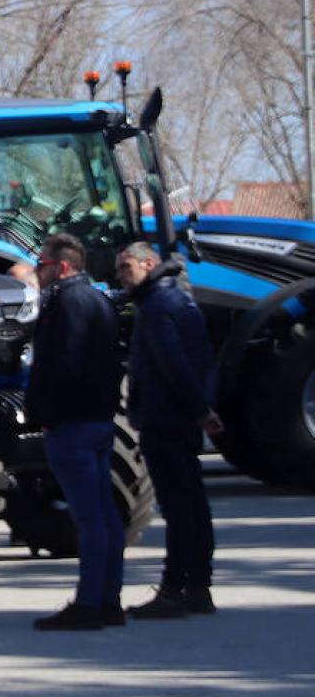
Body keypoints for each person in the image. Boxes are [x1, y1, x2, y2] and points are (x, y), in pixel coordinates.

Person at [26, 233, 127, 630]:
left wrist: (48, 413)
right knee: (104, 514)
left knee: (89, 518)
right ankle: (108, 598)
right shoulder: (100, 300)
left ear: (62, 267)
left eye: (43, 264)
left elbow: (62, 363)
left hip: (72, 424)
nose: (39, 271)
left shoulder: (64, 303)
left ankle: (90, 603)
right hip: (99, 419)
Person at [116, 242, 220, 617]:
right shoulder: (178, 300)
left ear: (149, 264)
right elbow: (202, 361)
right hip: (178, 416)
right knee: (192, 504)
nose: (121, 276)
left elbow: (171, 363)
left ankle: (176, 589)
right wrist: (202, 407)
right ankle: (197, 587)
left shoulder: (157, 307)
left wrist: (198, 410)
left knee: (179, 508)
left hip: (166, 418)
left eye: (126, 267)